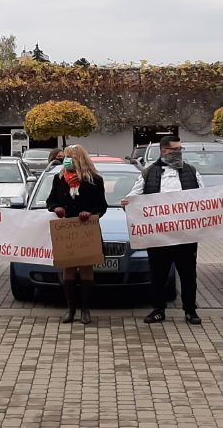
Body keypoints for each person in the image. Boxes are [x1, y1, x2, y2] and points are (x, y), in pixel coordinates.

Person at [123, 136, 204, 325]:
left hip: (185, 234)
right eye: (176, 149)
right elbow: (134, 195)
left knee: (188, 274)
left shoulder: (192, 171)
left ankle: (190, 310)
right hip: (158, 236)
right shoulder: (148, 172)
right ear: (164, 151)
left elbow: (203, 197)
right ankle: (158, 310)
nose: (179, 152)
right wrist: (127, 202)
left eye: (181, 149)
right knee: (158, 275)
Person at [46, 144, 108, 325]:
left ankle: (85, 309)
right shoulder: (59, 179)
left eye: (70, 156)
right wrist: (55, 208)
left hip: (87, 229)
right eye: (65, 156)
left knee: (87, 269)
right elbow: (51, 200)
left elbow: (102, 206)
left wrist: (90, 212)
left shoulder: (95, 180)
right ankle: (70, 309)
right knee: (69, 270)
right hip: (67, 230)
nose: (66, 160)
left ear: (79, 158)